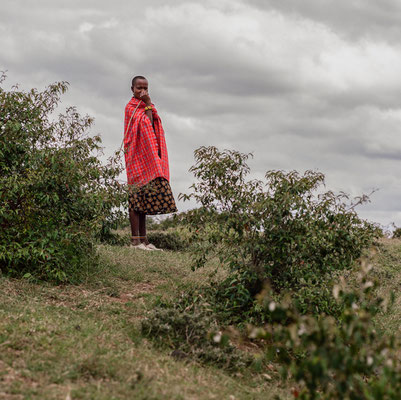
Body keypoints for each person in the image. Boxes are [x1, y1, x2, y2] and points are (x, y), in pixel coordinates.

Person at [124, 76, 177, 250]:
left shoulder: (149, 107)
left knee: (144, 199)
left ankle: (144, 240)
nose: (143, 91)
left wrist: (148, 104)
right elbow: (145, 124)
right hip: (136, 157)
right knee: (135, 198)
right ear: (132, 89)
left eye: (145, 88)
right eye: (139, 88)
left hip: (149, 157)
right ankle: (134, 241)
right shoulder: (130, 108)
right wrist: (147, 103)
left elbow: (153, 127)